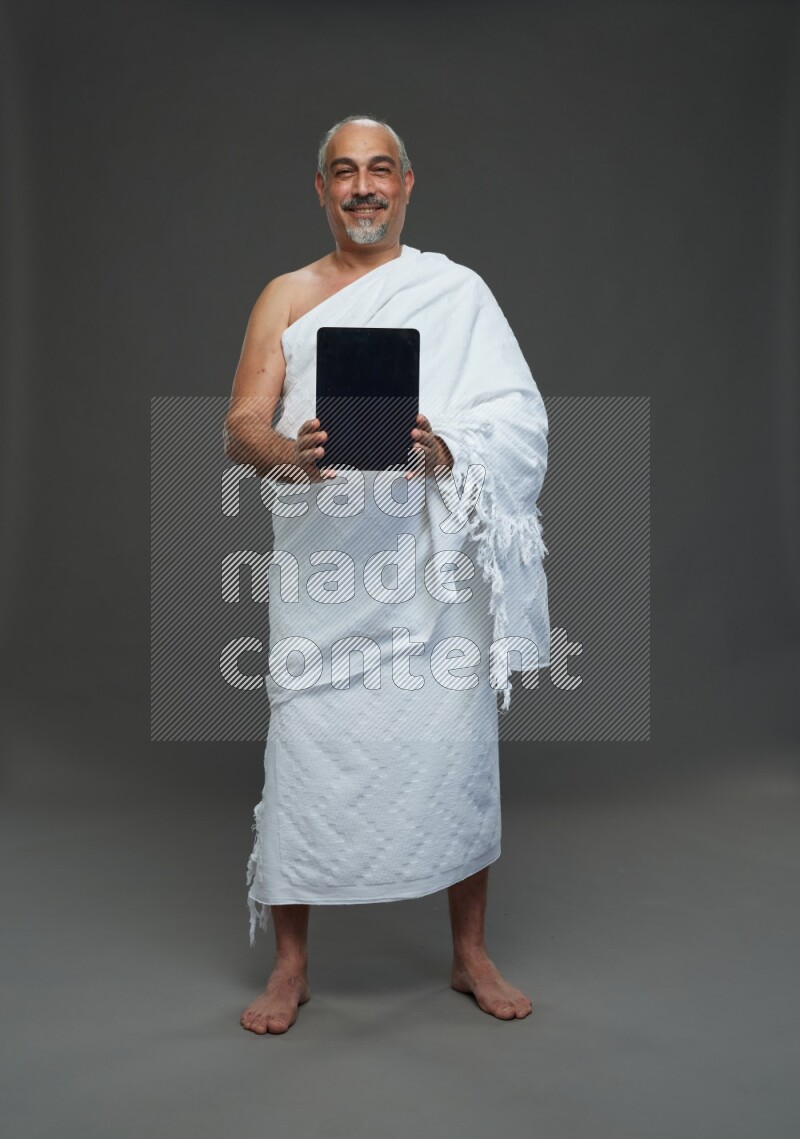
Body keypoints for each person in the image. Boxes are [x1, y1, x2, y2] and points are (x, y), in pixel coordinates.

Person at [224, 115, 550, 1034]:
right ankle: (291, 966)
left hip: (432, 574)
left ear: (406, 184)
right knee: (305, 752)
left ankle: (470, 953)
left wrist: (451, 450)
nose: (362, 187)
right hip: (325, 569)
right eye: (343, 172)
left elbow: (520, 418)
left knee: (454, 747)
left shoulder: (458, 292)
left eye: (378, 170)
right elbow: (240, 424)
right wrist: (290, 453)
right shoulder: (286, 294)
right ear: (321, 189)